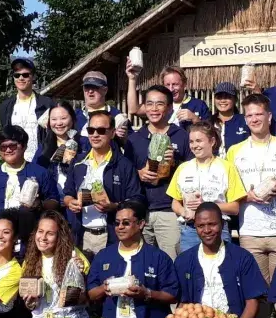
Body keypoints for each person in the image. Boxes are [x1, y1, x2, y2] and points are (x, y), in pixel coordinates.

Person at [170, 203, 267, 318]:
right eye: (201, 226)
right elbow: (184, 303)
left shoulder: (242, 257)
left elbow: (252, 302)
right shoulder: (184, 260)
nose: (207, 230)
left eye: (212, 224)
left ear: (222, 224)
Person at [85, 199, 178, 318]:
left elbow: (172, 295)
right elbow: (91, 294)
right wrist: (104, 288)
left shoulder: (158, 257)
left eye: (126, 223)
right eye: (117, 223)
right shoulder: (104, 256)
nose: (120, 227)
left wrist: (147, 293)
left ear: (141, 224)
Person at [226, 93, 276, 294]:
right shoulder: (234, 151)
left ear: (269, 116)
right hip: (250, 231)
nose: (254, 119)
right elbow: (230, 190)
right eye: (249, 115)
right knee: (257, 291)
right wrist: (247, 196)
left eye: (259, 114)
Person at [123, 83, 191, 259]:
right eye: (150, 103)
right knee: (141, 262)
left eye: (160, 104)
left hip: (169, 211)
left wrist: (174, 162)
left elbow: (192, 171)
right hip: (140, 212)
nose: (154, 109)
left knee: (172, 261)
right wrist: (138, 173)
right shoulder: (134, 139)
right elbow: (125, 173)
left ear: (169, 108)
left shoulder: (181, 136)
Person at [62, 110, 142, 255]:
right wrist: (70, 202)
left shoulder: (124, 165)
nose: (95, 135)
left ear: (112, 133)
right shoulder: (78, 162)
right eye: (91, 130)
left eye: (101, 130)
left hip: (110, 234)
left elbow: (136, 200)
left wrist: (114, 206)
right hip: (81, 234)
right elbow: (67, 193)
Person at [0, 125, 60, 249]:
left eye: (12, 146)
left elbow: (54, 201)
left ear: (24, 146)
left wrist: (39, 204)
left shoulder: (40, 173)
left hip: (28, 240)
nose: (8, 150)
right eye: (3, 147)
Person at [18, 209, 91, 318]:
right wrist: (30, 303)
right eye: (40, 231)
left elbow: (86, 299)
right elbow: (30, 306)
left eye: (50, 233)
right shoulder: (29, 261)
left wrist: (79, 275)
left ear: (60, 236)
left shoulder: (74, 257)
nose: (43, 237)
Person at [168, 121, 246, 254]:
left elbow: (235, 208)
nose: (194, 146)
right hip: (189, 231)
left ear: (212, 141)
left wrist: (206, 206)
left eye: (199, 141)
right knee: (190, 267)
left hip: (217, 230)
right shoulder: (183, 168)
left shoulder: (227, 167)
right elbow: (175, 202)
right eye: (191, 142)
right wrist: (183, 212)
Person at [0, 57, 54, 163]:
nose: (21, 78)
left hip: (41, 161)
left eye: (25, 75)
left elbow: (53, 135)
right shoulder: (6, 106)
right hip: (15, 162)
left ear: (33, 77)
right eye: (17, 75)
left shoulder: (46, 103)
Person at [128, 65, 209, 126]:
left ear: (184, 84)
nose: (171, 89)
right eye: (167, 85)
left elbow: (210, 133)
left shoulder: (198, 105)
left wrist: (195, 119)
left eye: (175, 84)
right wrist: (132, 79)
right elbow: (133, 110)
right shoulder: (159, 104)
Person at [34, 101, 81, 191]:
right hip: (50, 197)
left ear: (72, 119)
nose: (58, 123)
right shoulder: (43, 147)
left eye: (63, 118)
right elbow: (35, 173)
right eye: (54, 119)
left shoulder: (84, 144)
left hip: (76, 196)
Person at [211, 81, 250, 157]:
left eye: (227, 97)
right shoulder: (208, 123)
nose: (222, 100)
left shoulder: (244, 121)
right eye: (219, 97)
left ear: (235, 99)